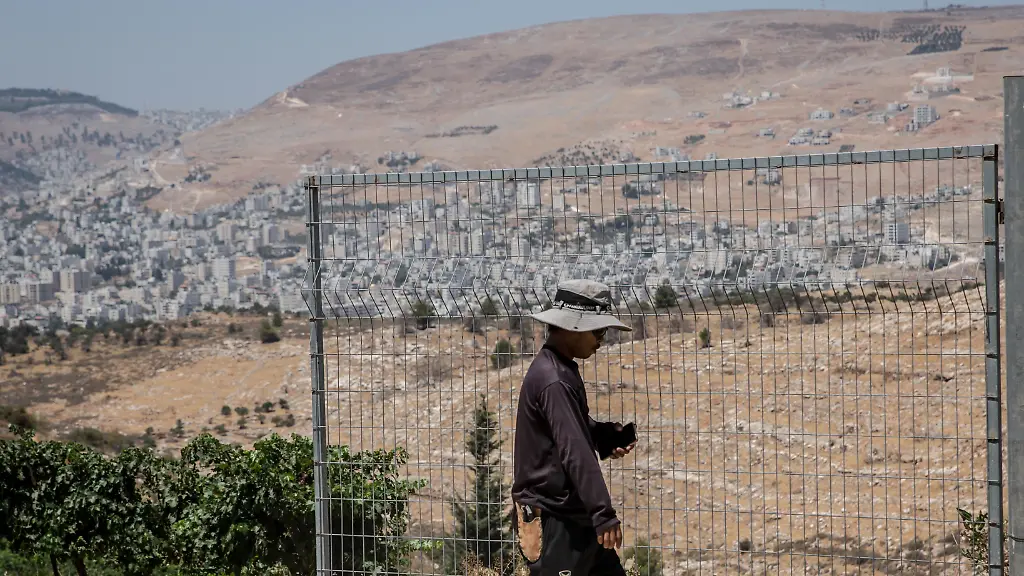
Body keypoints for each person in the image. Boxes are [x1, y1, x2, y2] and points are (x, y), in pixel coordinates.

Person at [511, 279, 637, 576]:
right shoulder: (553, 379)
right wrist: (603, 514)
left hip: (574, 517)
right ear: (574, 327)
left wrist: (604, 437)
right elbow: (575, 451)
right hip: (555, 521)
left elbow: (572, 431)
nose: (602, 339)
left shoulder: (561, 368)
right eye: (598, 330)